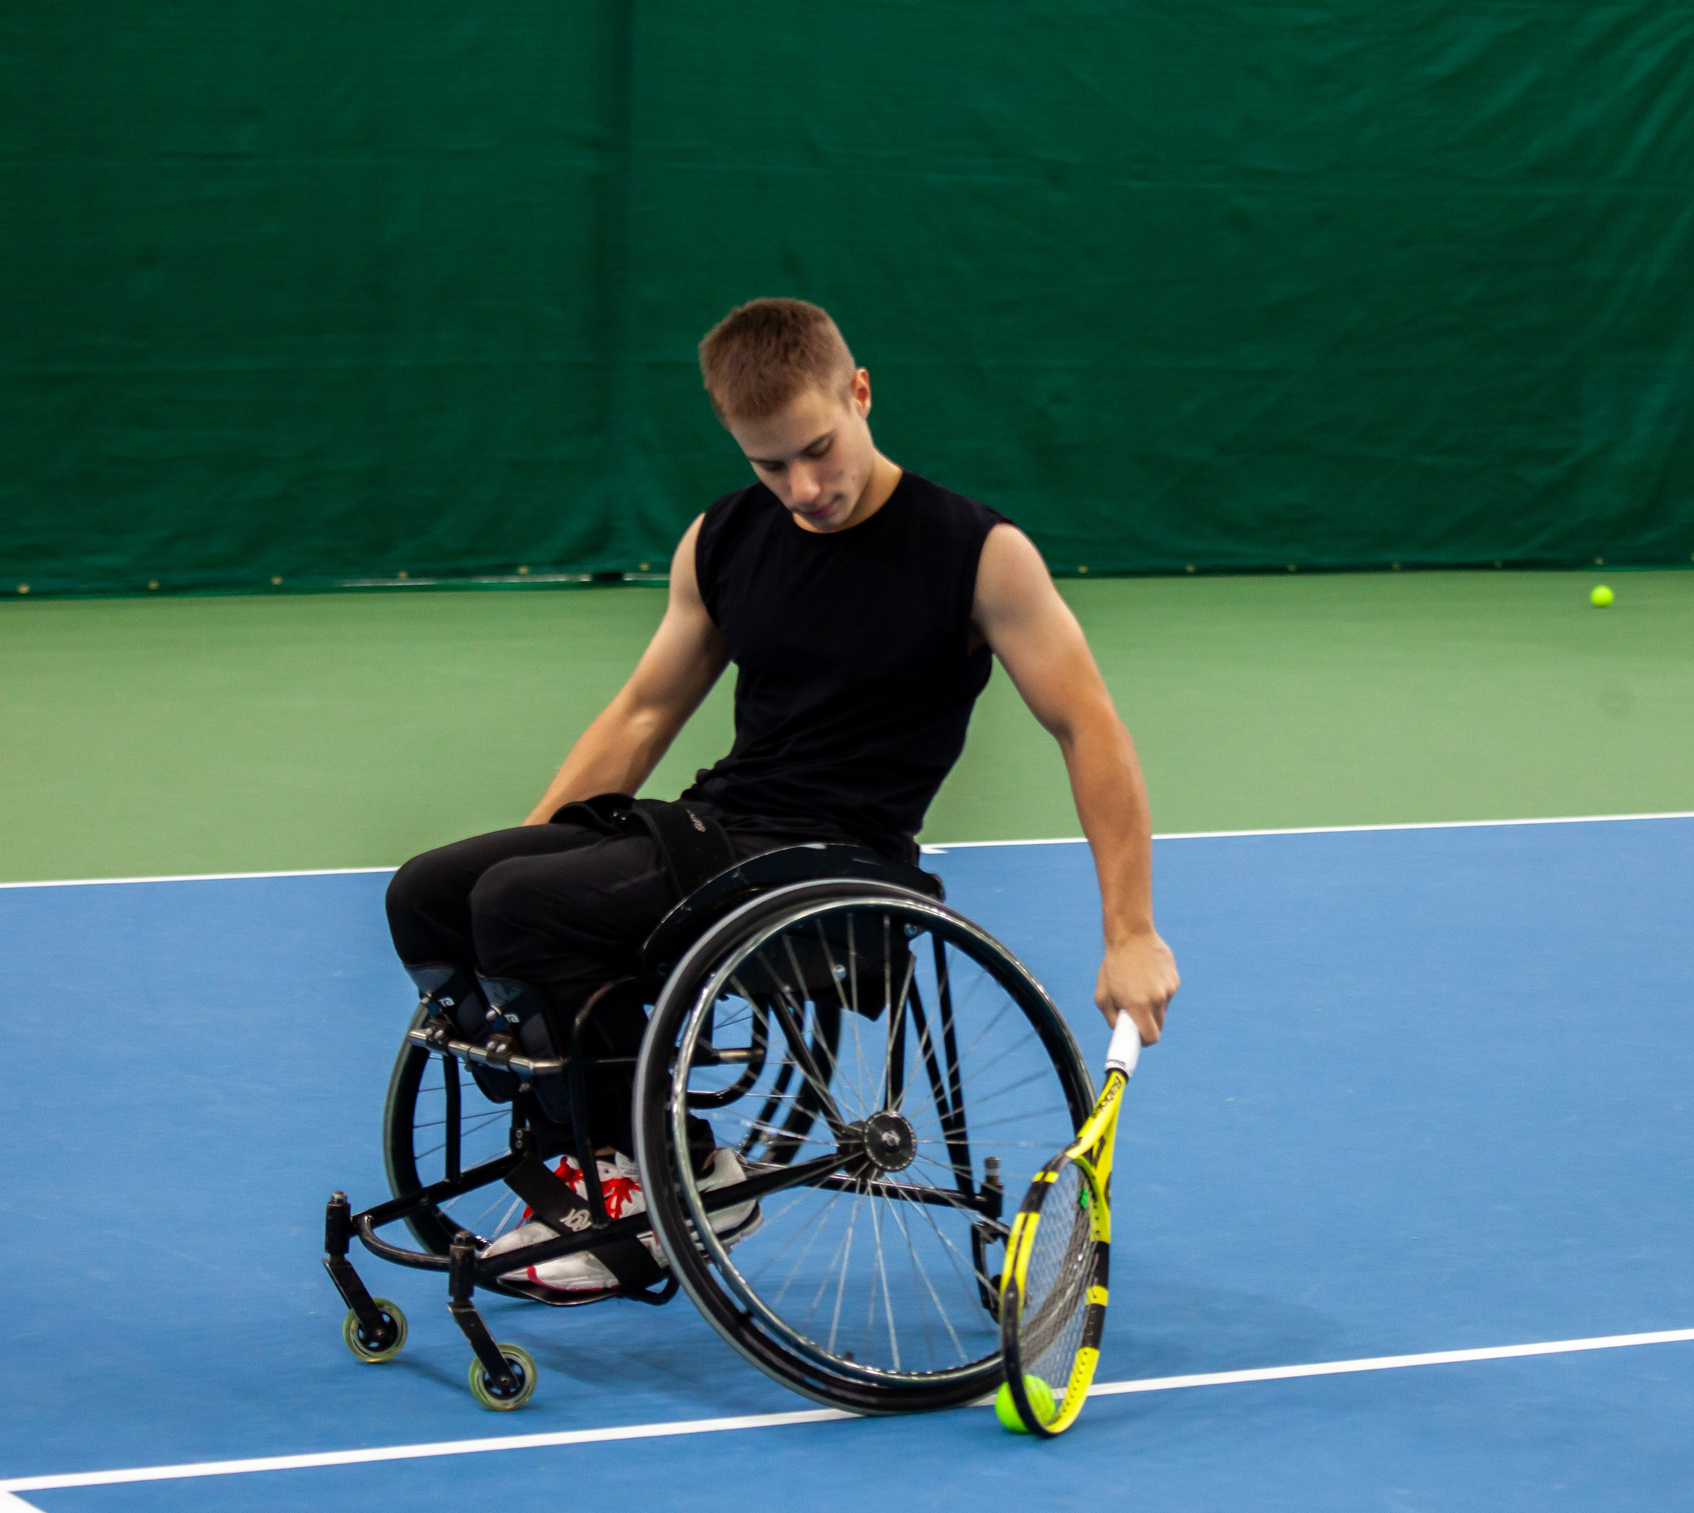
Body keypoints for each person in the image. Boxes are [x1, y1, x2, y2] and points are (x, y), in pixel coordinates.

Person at [381, 297, 1182, 1290]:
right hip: (718, 827)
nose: (804, 487)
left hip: (838, 862)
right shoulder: (722, 538)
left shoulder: (977, 554)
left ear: (860, 392)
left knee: (520, 906)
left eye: (818, 449)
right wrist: (536, 843)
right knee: (432, 893)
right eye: (771, 465)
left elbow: (1088, 727)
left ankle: (670, 1175)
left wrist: (1130, 931)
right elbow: (642, 714)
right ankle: (586, 1138)